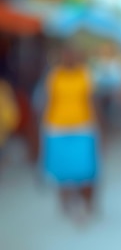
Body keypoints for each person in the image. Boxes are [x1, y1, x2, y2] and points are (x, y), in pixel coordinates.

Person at [38, 43, 102, 222]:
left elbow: (92, 100)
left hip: (83, 127)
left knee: (87, 170)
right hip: (57, 129)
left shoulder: (85, 74)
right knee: (63, 171)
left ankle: (88, 204)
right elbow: (48, 101)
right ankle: (66, 205)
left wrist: (101, 128)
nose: (69, 58)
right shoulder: (54, 76)